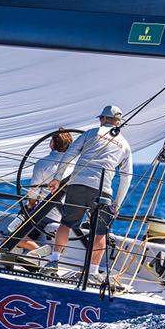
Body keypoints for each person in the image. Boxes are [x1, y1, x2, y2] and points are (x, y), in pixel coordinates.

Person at [44, 106, 133, 277]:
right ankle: (92, 272)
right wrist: (117, 203)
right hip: (102, 190)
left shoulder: (90, 133)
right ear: (118, 122)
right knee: (100, 231)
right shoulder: (125, 146)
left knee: (66, 223)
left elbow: (69, 154)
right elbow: (126, 177)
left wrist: (57, 177)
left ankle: (54, 260)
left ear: (103, 119)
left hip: (77, 183)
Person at [12, 128, 73, 255]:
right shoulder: (77, 165)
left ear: (52, 144)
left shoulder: (43, 163)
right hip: (67, 217)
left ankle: (38, 250)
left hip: (45, 215)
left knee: (12, 232)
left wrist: (30, 205)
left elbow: (34, 192)